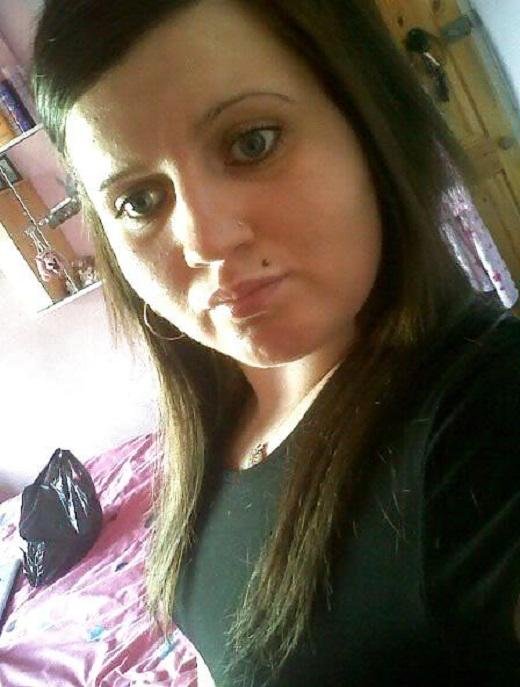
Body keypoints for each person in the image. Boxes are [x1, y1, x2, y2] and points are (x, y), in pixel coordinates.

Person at [32, 1, 520, 685]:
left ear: (366, 120)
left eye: (253, 142)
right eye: (140, 202)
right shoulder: (215, 417)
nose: (205, 240)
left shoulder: (490, 414)